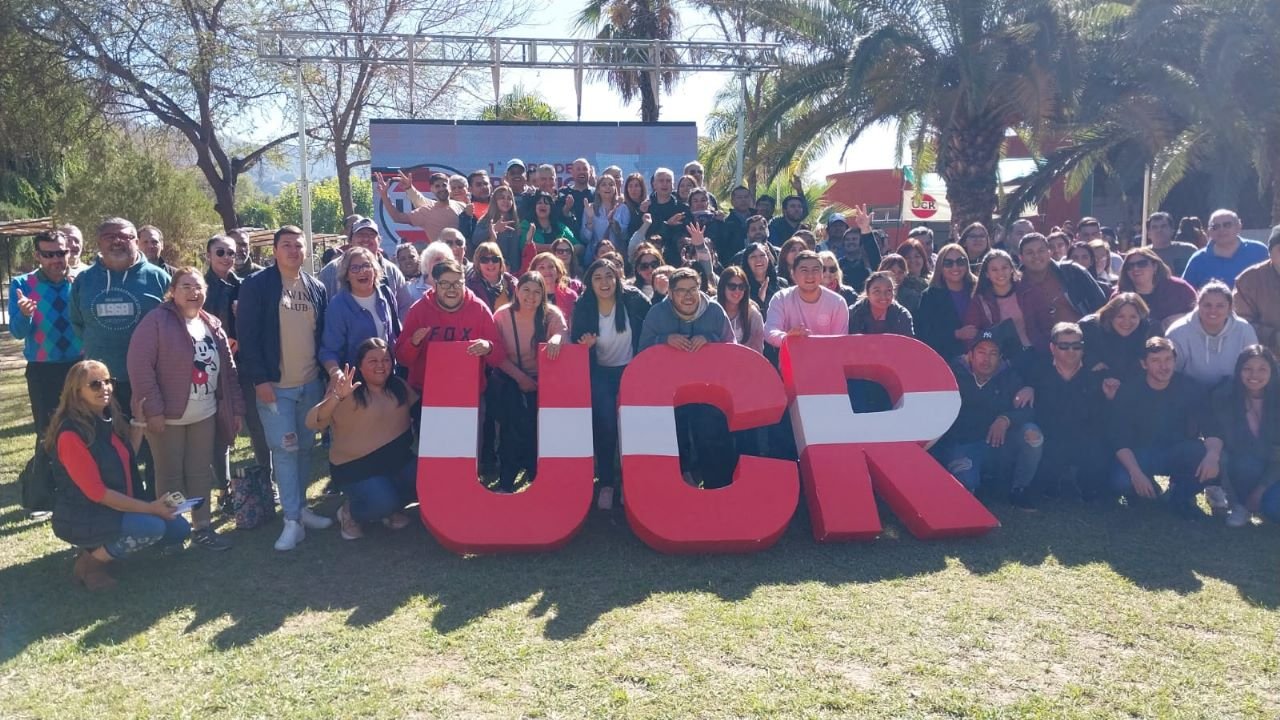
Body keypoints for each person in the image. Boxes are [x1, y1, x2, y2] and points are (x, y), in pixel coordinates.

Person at [126, 268, 242, 551]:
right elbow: (140, 368)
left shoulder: (211, 323)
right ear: (173, 291)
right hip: (167, 418)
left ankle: (203, 528)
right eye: (186, 286)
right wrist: (153, 410)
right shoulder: (156, 321)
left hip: (205, 413)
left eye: (198, 287)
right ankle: (173, 532)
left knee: (200, 473)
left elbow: (228, 371)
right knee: (170, 476)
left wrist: (236, 408)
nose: (193, 292)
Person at [48, 360, 190, 590]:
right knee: (152, 527)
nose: (105, 388)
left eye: (108, 381)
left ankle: (107, 547)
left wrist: (138, 422)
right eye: (95, 384)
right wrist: (151, 508)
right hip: (85, 515)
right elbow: (97, 493)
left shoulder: (106, 418)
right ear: (77, 392)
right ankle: (90, 563)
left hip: (116, 507)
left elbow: (125, 456)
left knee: (179, 529)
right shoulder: (70, 434)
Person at [237, 225, 333, 552]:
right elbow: (248, 337)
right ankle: (291, 520)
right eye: (287, 245)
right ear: (275, 250)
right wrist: (260, 380)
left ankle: (302, 509)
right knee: (285, 450)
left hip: (310, 384)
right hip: (275, 387)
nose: (293, 251)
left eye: (298, 245)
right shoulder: (256, 286)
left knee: (305, 448)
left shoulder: (316, 287)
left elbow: (321, 336)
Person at [306, 339, 417, 540]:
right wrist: (336, 397)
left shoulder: (398, 386)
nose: (380, 365)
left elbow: (421, 410)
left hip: (398, 461)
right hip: (357, 468)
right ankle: (350, 513)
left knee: (427, 482)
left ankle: (390, 508)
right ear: (360, 364)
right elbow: (313, 421)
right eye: (373, 361)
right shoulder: (346, 390)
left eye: (385, 360)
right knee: (383, 503)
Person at [639, 267, 736, 489]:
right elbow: (642, 351)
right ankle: (679, 488)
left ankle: (718, 488)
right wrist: (664, 340)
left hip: (709, 390)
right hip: (670, 392)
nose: (688, 295)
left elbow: (732, 348)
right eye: (681, 291)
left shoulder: (714, 310)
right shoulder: (656, 313)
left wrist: (710, 339)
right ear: (670, 293)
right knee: (675, 437)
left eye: (693, 289)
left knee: (711, 438)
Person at [571, 258, 651, 510]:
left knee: (634, 427)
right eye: (597, 278)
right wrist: (584, 346)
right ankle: (606, 482)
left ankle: (632, 483)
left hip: (632, 372)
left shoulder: (634, 299)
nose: (604, 282)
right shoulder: (583, 306)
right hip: (601, 375)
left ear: (617, 278)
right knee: (605, 425)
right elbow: (575, 344)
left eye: (609, 276)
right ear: (590, 283)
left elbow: (652, 326)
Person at [1108, 337, 1217, 519]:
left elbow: (1212, 427)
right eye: (1155, 361)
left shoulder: (1191, 387)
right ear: (1144, 364)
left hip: (1177, 450)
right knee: (1121, 482)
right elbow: (1119, 438)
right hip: (1140, 453)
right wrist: (1135, 473)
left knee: (1213, 459)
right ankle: (1144, 489)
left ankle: (1179, 497)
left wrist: (1213, 456)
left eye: (1168, 359)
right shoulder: (1129, 390)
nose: (1163, 366)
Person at [933, 331, 1042, 507]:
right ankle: (978, 482)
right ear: (970, 355)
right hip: (964, 445)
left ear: (1000, 358)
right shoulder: (952, 374)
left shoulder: (1010, 377)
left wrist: (1006, 419)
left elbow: (1028, 411)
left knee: (1032, 434)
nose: (986, 359)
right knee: (965, 487)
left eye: (993, 353)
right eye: (981, 352)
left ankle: (1019, 489)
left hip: (997, 445)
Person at [9, 230, 83, 484]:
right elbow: (17, 332)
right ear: (37, 256)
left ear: (68, 252)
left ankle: (84, 483)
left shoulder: (81, 280)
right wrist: (25, 314)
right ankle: (45, 489)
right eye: (48, 255)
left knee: (85, 426)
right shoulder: (22, 284)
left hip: (80, 367)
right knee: (47, 430)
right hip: (43, 369)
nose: (56, 259)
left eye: (60, 253)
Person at [492, 272, 567, 493]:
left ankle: (538, 478)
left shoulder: (551, 314)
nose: (531, 296)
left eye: (537, 292)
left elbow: (563, 333)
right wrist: (520, 378)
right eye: (526, 290)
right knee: (511, 429)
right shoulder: (502, 316)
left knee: (539, 429)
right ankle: (506, 481)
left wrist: (557, 339)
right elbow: (496, 354)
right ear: (517, 291)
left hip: (544, 381)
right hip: (510, 377)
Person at [1025, 322, 1108, 502]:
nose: (1071, 351)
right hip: (1048, 438)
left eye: (1076, 346)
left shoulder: (1096, 375)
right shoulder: (1036, 372)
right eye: (1064, 346)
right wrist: (1028, 387)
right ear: (1052, 348)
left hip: (1084, 438)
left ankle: (1085, 485)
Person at [395, 259, 505, 394]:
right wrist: (413, 343)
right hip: (424, 392)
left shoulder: (479, 309)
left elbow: (499, 356)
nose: (452, 289)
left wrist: (488, 347)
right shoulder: (418, 310)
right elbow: (402, 358)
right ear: (435, 285)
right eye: (445, 284)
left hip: (468, 392)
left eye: (457, 283)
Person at [1205, 345, 1280, 526]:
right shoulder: (1224, 397)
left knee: (1274, 509)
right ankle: (1240, 506)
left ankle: (1259, 500)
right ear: (1238, 370)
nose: (1254, 375)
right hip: (1243, 466)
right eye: (1248, 369)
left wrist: (1260, 490)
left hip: (1275, 468)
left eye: (1262, 369)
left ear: (1272, 371)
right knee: (1244, 463)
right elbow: (1223, 448)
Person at [1015, 232, 1107, 352]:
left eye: (1041, 251)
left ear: (1049, 253)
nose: (1036, 256)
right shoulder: (1016, 285)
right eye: (1029, 252)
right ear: (1021, 258)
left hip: (1084, 343)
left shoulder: (1071, 272)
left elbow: (1102, 306)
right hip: (1040, 351)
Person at [320, 247, 401, 375]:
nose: (362, 271)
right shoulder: (338, 305)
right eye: (354, 268)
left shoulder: (386, 294)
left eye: (366, 266)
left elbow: (393, 336)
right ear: (346, 275)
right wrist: (336, 374)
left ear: (375, 270)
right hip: (356, 379)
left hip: (387, 376)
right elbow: (329, 350)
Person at [1167, 280, 1258, 387]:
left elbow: (1253, 367)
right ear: (1198, 305)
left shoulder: (1245, 330)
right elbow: (1171, 373)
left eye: (1220, 306)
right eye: (1207, 305)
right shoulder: (1178, 332)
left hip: (1233, 391)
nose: (1213, 310)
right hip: (1189, 391)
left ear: (1230, 308)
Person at [848, 270, 914, 413]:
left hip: (893, 371)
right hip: (860, 372)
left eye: (888, 291)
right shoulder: (854, 313)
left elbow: (907, 347)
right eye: (877, 291)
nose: (883, 296)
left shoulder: (901, 315)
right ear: (868, 292)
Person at [318, 218, 413, 317]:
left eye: (371, 235)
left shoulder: (393, 271)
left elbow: (405, 307)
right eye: (360, 235)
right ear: (350, 240)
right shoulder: (330, 271)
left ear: (379, 241)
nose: (366, 239)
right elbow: (322, 310)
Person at [965, 250, 1033, 368]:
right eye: (994, 270)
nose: (1000, 273)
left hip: (1032, 351)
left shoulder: (1027, 291)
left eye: (1004, 268)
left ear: (1011, 269)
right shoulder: (980, 300)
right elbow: (972, 334)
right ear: (987, 274)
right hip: (1000, 360)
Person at [765, 251, 850, 346]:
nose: (810, 275)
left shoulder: (837, 302)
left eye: (815, 270)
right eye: (804, 270)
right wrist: (787, 338)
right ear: (793, 274)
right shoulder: (781, 298)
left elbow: (840, 341)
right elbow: (770, 331)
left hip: (827, 354)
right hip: (792, 353)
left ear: (822, 274)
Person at [1080, 293, 1154, 400]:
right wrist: (1090, 361)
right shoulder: (1090, 327)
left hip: (1128, 393)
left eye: (1133, 317)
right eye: (1120, 316)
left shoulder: (1146, 330)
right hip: (1091, 392)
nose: (1126, 322)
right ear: (1110, 315)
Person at [916, 243, 978, 362]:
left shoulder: (978, 289)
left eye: (960, 262)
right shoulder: (930, 296)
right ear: (940, 267)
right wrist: (956, 334)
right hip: (947, 359)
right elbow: (925, 334)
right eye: (948, 263)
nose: (955, 267)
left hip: (980, 358)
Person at [1114, 246, 1196, 332]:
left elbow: (1198, 314)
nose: (1135, 268)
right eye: (1130, 266)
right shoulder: (1119, 296)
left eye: (1142, 264)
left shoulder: (1179, 289)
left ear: (1155, 266)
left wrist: (1180, 319)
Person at [1181, 209, 1269, 289]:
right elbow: (1185, 292)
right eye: (1216, 227)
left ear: (1239, 226)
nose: (1221, 230)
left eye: (1227, 225)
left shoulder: (1259, 251)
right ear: (1209, 231)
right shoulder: (1198, 259)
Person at [377, 170, 466, 246]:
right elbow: (397, 217)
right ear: (432, 189)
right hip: (441, 258)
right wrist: (385, 195)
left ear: (449, 187)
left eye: (444, 185)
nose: (441, 188)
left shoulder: (461, 206)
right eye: (437, 186)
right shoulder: (426, 211)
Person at [1232, 225, 1280, 358]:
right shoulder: (1248, 280)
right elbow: (1239, 322)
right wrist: (1274, 336)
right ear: (1270, 253)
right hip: (1265, 358)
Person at [518, 191, 578, 272]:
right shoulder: (526, 225)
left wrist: (565, 250)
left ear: (551, 208)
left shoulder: (560, 226)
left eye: (546, 203)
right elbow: (524, 245)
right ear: (534, 207)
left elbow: (580, 246)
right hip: (535, 271)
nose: (543, 205)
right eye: (539, 203)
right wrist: (555, 248)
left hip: (558, 270)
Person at [579, 172, 631, 265]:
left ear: (615, 189)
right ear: (598, 190)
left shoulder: (623, 208)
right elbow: (585, 239)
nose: (608, 187)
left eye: (611, 184)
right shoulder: (590, 208)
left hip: (616, 257)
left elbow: (625, 236)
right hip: (593, 258)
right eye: (604, 185)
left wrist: (615, 225)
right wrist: (590, 219)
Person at [716, 266, 764, 354]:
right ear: (722, 287)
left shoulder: (753, 315)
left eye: (741, 287)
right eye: (732, 286)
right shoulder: (711, 308)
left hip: (743, 361)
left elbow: (757, 352)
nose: (737, 291)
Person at [530, 251, 579, 332]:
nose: (547, 271)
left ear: (558, 271)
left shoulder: (571, 296)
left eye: (551, 267)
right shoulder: (529, 296)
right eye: (541, 267)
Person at [474, 184, 521, 267]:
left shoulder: (516, 222)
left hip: (514, 270)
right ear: (495, 201)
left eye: (509, 198)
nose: (506, 201)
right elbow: (475, 240)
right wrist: (493, 229)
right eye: (502, 198)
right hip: (492, 266)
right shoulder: (486, 220)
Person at [466, 242, 518, 312]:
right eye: (484, 260)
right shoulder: (470, 287)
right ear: (478, 263)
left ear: (501, 261)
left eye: (495, 259)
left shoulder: (512, 282)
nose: (490, 263)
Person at [1145, 211, 1198, 276]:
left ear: (1172, 231)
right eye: (1154, 227)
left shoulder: (1188, 251)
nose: (1159, 230)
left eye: (1163, 226)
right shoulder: (1142, 255)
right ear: (1148, 234)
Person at [741, 241, 786, 311]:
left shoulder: (782, 283)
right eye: (753, 257)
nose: (758, 259)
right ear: (746, 262)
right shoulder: (741, 287)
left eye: (762, 255)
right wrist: (759, 300)